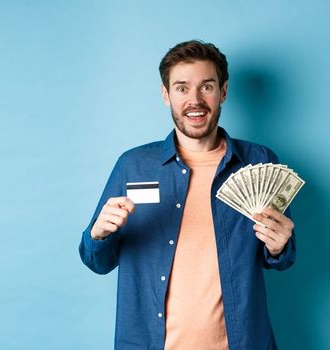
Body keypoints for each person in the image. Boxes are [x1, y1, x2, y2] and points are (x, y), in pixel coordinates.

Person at [78, 40, 297, 350]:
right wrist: (98, 235)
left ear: (223, 91)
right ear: (166, 95)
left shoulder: (260, 161)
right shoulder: (133, 166)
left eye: (206, 87)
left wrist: (280, 246)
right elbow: (96, 261)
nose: (195, 100)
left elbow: (280, 259)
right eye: (182, 88)